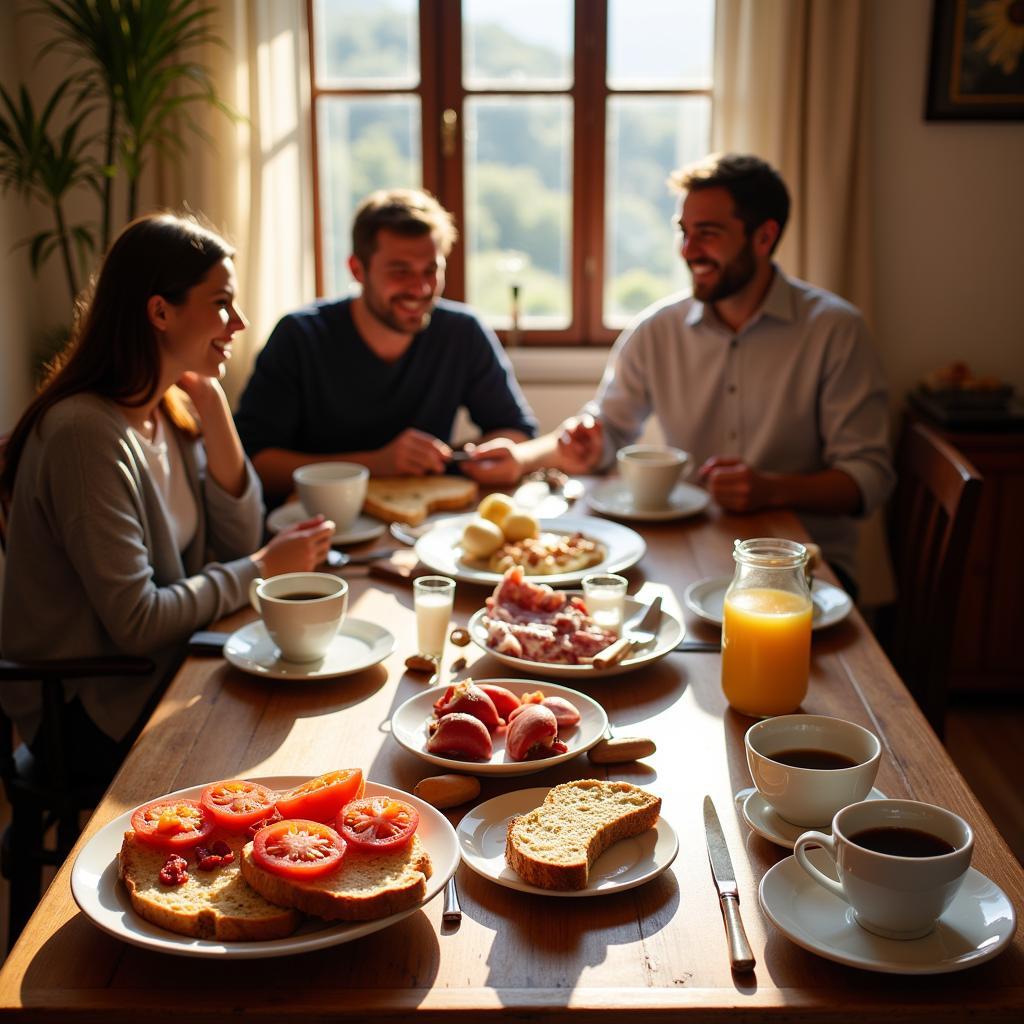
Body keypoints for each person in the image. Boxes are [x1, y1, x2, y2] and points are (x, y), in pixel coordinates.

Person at [0, 213, 335, 777]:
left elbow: (238, 537)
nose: (240, 322)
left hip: (163, 668)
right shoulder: (85, 434)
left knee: (306, 716)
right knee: (291, 735)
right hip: (97, 705)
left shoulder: (159, 411)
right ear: (160, 312)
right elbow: (138, 619)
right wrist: (260, 568)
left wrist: (212, 407)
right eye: (221, 303)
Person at [487, 154, 894, 596]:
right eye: (684, 232)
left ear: (764, 237)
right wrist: (570, 447)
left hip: (810, 574)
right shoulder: (656, 330)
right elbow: (609, 431)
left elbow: (868, 479)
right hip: (684, 557)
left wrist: (772, 490)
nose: (687, 250)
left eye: (708, 233)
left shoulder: (836, 330)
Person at [234, 187, 538, 504]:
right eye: (400, 271)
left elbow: (516, 431)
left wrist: (477, 455)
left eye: (431, 270)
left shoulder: (463, 332)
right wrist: (379, 463)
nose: (419, 288)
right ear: (356, 269)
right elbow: (255, 464)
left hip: (423, 524)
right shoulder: (299, 336)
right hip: (319, 527)